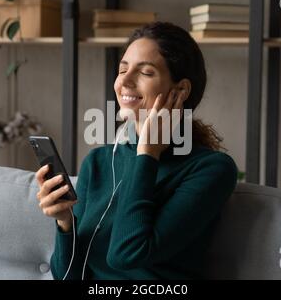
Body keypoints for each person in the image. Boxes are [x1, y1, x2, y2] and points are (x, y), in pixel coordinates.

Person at [35, 22, 238, 279]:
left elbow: (127, 254)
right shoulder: (98, 162)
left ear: (181, 90)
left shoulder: (211, 169)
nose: (125, 81)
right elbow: (67, 276)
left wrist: (147, 154)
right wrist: (65, 222)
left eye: (145, 72)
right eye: (122, 69)